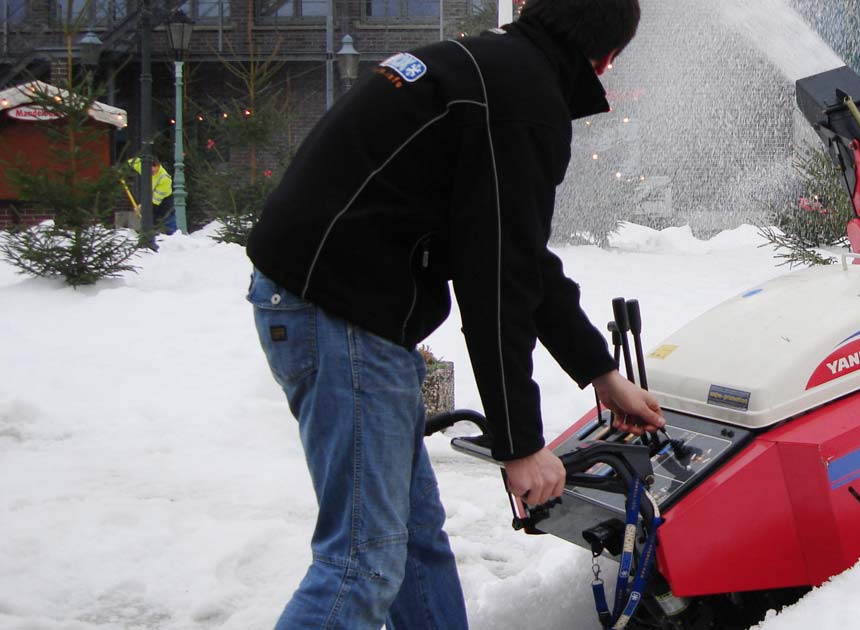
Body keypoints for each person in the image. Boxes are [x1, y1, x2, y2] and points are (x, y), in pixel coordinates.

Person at [244, 1, 660, 627]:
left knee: (414, 544)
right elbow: (497, 282)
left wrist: (601, 372)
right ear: (606, 56)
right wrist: (520, 446)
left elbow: (512, 252)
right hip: (340, 315)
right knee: (364, 563)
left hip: (329, 302)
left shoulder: (488, 67)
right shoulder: (520, 100)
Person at [124, 156, 175, 234]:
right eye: (150, 170)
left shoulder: (164, 179)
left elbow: (154, 201)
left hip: (164, 200)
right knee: (150, 218)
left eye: (154, 170)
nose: (152, 172)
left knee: (167, 218)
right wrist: (122, 169)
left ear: (158, 166)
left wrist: (141, 207)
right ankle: (149, 232)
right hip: (150, 196)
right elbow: (132, 162)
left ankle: (173, 235)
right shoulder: (144, 167)